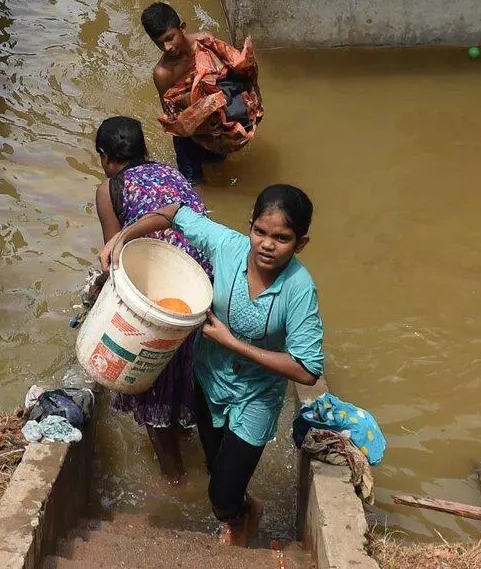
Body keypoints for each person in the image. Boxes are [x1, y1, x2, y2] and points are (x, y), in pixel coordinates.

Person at [101, 185, 322, 547]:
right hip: (210, 380)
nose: (267, 244)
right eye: (260, 232)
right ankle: (245, 508)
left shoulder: (299, 288)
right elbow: (173, 212)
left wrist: (232, 343)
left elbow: (307, 369)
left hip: (257, 395)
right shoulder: (228, 246)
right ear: (249, 226)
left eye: (282, 238)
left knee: (219, 495)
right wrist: (122, 238)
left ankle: (234, 516)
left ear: (300, 243)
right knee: (216, 469)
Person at [91, 115, 210, 483]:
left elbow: (117, 258)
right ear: (144, 149)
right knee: (187, 372)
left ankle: (175, 482)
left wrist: (97, 299)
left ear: (104, 157)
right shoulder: (172, 174)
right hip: (204, 284)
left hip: (162, 289)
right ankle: (203, 470)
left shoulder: (109, 188)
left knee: (152, 378)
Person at [143, 2, 260, 185]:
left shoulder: (206, 42)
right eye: (160, 44)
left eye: (170, 38)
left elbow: (234, 72)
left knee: (219, 165)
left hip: (217, 123)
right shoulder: (164, 73)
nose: (167, 47)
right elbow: (172, 115)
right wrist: (196, 106)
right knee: (194, 185)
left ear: (182, 27)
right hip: (189, 138)